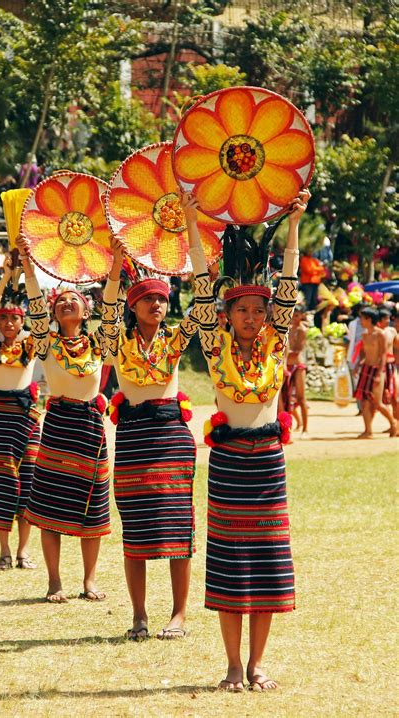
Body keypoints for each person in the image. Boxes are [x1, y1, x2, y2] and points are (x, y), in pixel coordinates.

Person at [196, 190, 310, 692]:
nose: (251, 317)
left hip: (267, 462)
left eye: (258, 311)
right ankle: (232, 666)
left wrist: (294, 223)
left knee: (265, 564)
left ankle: (258, 664)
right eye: (242, 310)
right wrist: (188, 220)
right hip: (227, 464)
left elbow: (288, 279)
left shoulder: (276, 343)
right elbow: (202, 284)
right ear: (228, 314)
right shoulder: (212, 342)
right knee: (228, 564)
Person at [101, 193, 211, 641]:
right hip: (131, 438)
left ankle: (179, 615)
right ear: (134, 306)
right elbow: (107, 312)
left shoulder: (176, 339)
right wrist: (115, 264)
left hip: (170, 436)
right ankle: (139, 616)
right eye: (149, 301)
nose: (158, 307)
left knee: (177, 526)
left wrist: (190, 222)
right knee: (137, 528)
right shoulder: (116, 342)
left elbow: (203, 301)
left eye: (163, 301)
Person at [16, 234, 111, 603]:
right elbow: (35, 303)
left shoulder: (100, 343)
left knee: (94, 505)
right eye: (61, 301)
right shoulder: (45, 342)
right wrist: (27, 263)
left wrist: (116, 263)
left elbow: (114, 304)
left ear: (87, 312)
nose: (66, 303)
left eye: (75, 299)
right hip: (57, 426)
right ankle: (54, 581)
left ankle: (89, 580)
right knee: (49, 503)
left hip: (90, 428)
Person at [0, 256, 41, 570]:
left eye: (13, 319)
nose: (7, 324)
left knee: (29, 483)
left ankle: (23, 552)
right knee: (2, 484)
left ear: (21, 321)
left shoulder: (30, 344)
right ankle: (4, 551)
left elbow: (41, 318)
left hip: (28, 420)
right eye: (3, 319)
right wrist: (4, 279)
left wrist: (28, 273)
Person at [354, 307, 397, 438]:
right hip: (366, 368)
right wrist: (358, 364)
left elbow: (383, 354)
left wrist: (379, 373)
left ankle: (393, 423)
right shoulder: (365, 335)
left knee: (377, 403)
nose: (360, 320)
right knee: (365, 402)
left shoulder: (381, 334)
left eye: (362, 318)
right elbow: (364, 353)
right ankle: (368, 431)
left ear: (369, 319)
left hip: (378, 369)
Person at [282, 305, 309, 437]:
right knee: (286, 396)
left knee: (301, 398)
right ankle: (293, 425)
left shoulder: (302, 330)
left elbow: (298, 350)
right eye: (294, 315)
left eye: (298, 315)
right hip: (286, 365)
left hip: (298, 366)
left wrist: (284, 352)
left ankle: (305, 429)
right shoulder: (287, 329)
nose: (295, 318)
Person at [377, 308, 397, 412]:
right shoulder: (376, 332)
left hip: (391, 364)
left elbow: (397, 344)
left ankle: (395, 423)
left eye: (389, 318)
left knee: (393, 393)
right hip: (379, 364)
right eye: (386, 318)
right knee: (381, 395)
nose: (388, 320)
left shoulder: (391, 331)